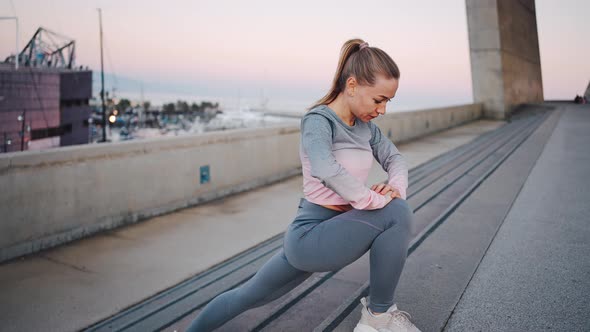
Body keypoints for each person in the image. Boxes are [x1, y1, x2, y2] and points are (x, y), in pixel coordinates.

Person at [186, 39, 421, 332]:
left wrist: (394, 188)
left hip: (340, 227)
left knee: (248, 295)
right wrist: (374, 200)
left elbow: (395, 158)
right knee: (396, 214)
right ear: (351, 86)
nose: (383, 110)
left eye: (388, 101)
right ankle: (377, 317)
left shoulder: (365, 128)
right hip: (311, 234)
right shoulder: (318, 121)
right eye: (378, 99)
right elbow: (325, 168)